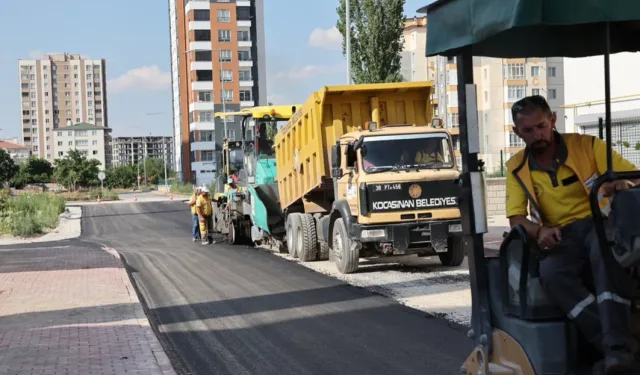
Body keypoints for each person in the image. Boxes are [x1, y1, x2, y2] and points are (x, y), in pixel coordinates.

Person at [505, 95, 640, 373]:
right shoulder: (516, 168)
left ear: (552, 120)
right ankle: (613, 345)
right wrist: (539, 230)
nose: (537, 135)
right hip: (562, 236)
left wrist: (621, 184)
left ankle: (617, 350)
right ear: (517, 132)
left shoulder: (588, 145)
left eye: (541, 126)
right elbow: (516, 217)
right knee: (552, 274)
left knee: (604, 253)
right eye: (528, 131)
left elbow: (632, 177)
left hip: (599, 222)